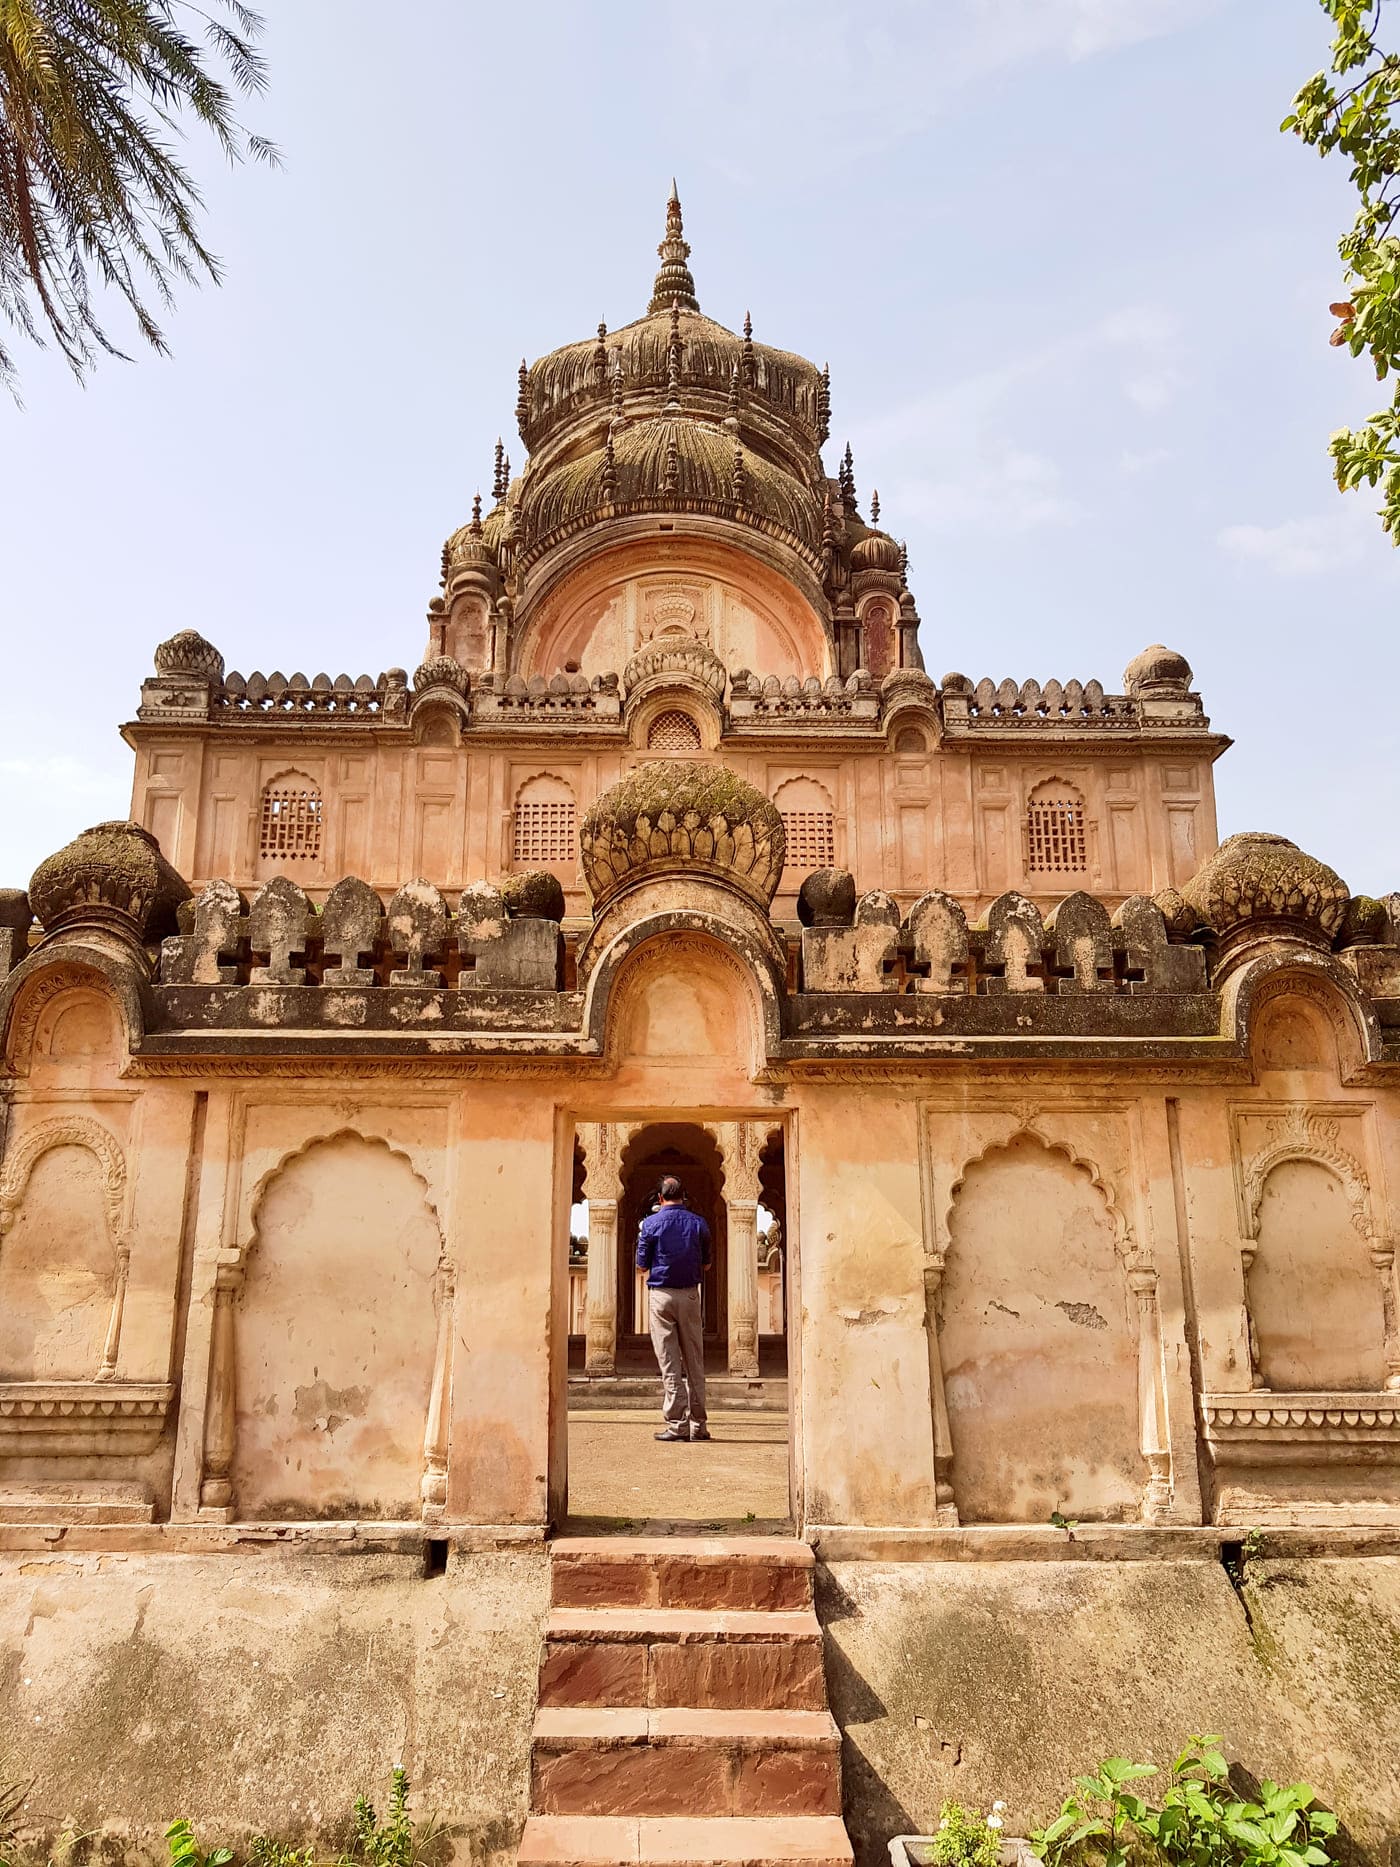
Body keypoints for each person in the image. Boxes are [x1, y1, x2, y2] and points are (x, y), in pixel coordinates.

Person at [635, 1175, 712, 1442]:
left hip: (661, 1297)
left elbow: (642, 1265)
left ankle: (677, 1425)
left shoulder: (651, 1225)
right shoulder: (698, 1224)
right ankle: (699, 1425)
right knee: (695, 1362)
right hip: (690, 1296)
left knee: (670, 1362)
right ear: (684, 1196)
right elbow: (707, 1265)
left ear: (660, 1198)